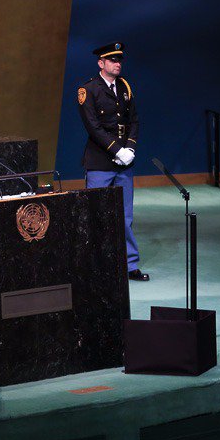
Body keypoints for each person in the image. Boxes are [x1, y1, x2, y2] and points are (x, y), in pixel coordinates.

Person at [78, 42, 148, 281]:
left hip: (123, 163)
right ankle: (96, 265)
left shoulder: (125, 87)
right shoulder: (88, 89)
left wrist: (130, 148)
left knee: (126, 217)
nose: (118, 64)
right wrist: (117, 149)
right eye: (112, 60)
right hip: (100, 161)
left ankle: (129, 265)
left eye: (119, 60)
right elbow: (93, 127)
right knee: (96, 214)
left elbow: (134, 120)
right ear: (101, 63)